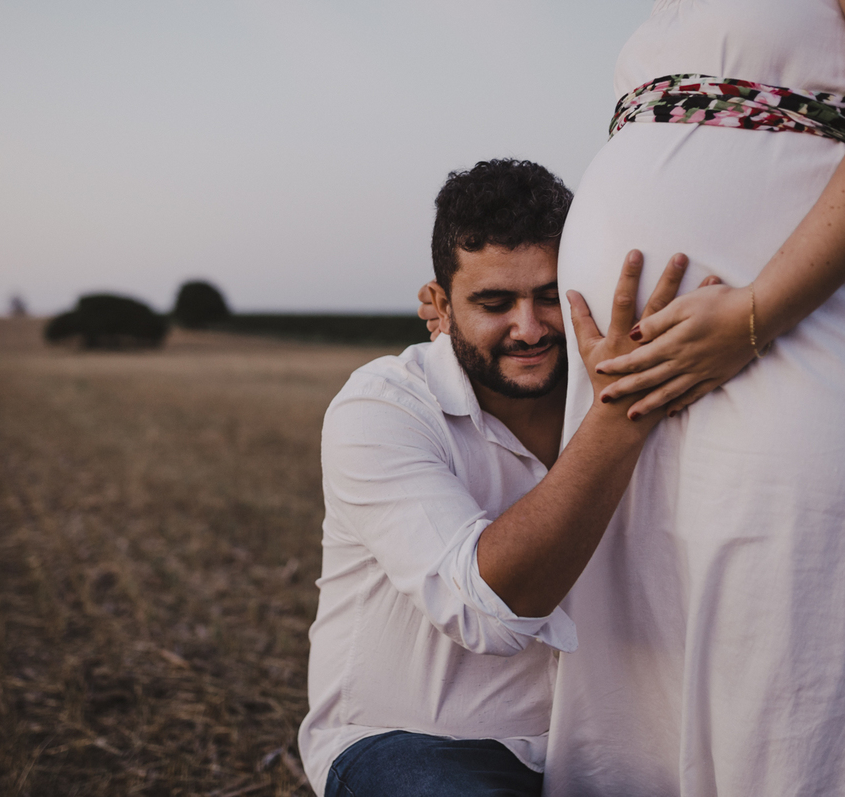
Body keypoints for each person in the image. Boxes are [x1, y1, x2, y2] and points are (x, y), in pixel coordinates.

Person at [541, 0, 845, 794]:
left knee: (799, 676)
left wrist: (754, 316)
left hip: (802, 342)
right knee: (648, 697)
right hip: (645, 389)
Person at [298, 159, 717, 797]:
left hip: (601, 745)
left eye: (550, 295)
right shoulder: (382, 406)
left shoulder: (605, 377)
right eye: (494, 303)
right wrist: (618, 419)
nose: (529, 328)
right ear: (438, 304)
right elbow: (488, 614)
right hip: (413, 744)